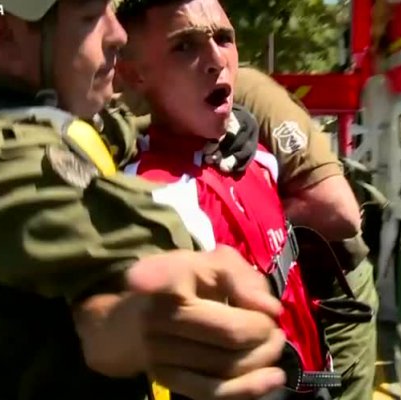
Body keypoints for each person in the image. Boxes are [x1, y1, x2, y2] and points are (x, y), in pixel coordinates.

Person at [0, 1, 287, 399]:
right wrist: (154, 313)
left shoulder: (42, 111)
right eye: (91, 17)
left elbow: (109, 128)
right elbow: (125, 290)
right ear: (3, 30)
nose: (118, 34)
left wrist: (216, 123)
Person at [115, 28, 379, 400]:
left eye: (224, 40)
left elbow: (339, 212)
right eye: (185, 46)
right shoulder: (115, 112)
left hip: (334, 280)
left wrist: (257, 217)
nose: (215, 59)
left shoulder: (250, 95)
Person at [234, 67, 380, 400]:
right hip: (268, 306)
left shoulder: (246, 92)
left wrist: (237, 223)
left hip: (329, 291)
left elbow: (338, 213)